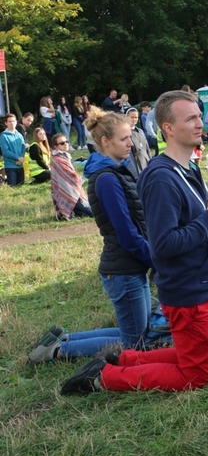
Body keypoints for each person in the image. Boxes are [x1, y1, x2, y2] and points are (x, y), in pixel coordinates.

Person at [60, 90, 208, 395]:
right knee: (196, 376)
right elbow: (164, 244)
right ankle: (103, 378)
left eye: (198, 115)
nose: (199, 122)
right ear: (167, 128)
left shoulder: (187, 168)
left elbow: (197, 218)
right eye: (190, 118)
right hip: (191, 292)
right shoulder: (162, 178)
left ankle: (124, 359)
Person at [28, 108, 153, 365]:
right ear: (105, 142)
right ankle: (57, 351)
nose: (131, 143)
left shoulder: (116, 173)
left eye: (130, 137)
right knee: (136, 342)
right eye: (124, 139)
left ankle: (62, 340)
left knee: (135, 334)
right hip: (123, 269)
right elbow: (127, 234)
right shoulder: (107, 179)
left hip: (129, 266)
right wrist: (156, 259)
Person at [50, 132, 93, 219]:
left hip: (74, 191)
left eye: (66, 142)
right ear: (55, 146)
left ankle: (75, 212)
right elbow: (70, 175)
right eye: (62, 143)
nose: (65, 144)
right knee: (92, 213)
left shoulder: (65, 156)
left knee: (88, 212)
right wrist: (81, 179)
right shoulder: (57, 159)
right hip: (68, 193)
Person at [0, 113, 26, 186]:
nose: (12, 123)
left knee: (21, 187)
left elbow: (23, 148)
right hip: (10, 166)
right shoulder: (3, 136)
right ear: (6, 123)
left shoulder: (19, 135)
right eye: (10, 121)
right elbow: (5, 152)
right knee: (13, 187)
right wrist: (17, 158)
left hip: (20, 165)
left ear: (16, 122)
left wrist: (21, 159)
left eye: (13, 121)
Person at [125, 107, 151, 178]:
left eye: (136, 117)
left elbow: (147, 149)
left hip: (146, 165)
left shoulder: (140, 131)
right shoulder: (124, 134)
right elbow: (128, 156)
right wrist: (135, 175)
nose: (134, 119)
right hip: (137, 169)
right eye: (132, 117)